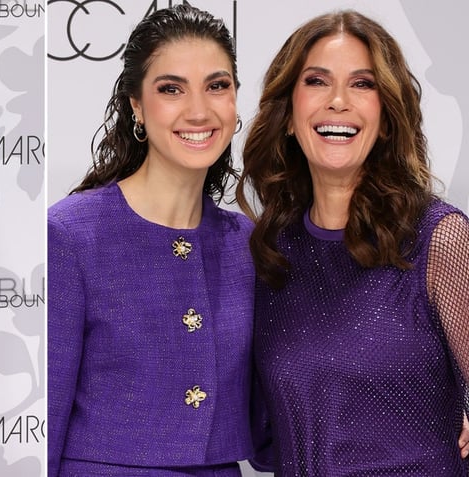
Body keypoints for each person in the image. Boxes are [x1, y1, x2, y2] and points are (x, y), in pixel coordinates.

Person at [235, 10, 469, 475]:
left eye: (363, 84)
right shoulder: (269, 256)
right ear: (288, 115)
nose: (338, 100)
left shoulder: (438, 239)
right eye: (317, 81)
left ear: (385, 119)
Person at [48, 5, 263, 476]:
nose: (199, 110)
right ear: (137, 106)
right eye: (171, 89)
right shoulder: (71, 234)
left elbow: (275, 411)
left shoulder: (248, 243)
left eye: (217, 85)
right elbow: (46, 418)